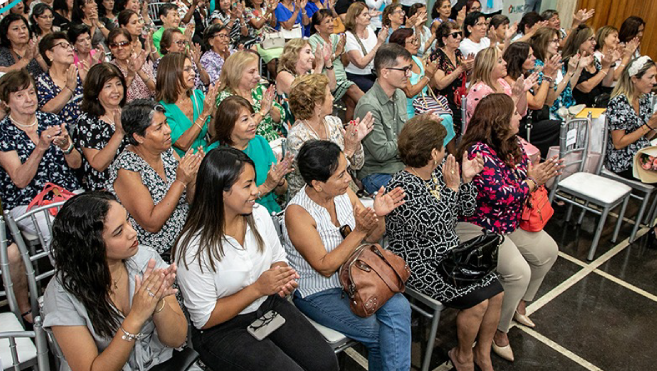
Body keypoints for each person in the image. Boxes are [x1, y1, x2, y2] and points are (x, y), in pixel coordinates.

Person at [173, 147, 338, 371]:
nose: (255, 191)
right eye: (247, 185)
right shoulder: (193, 247)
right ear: (222, 191)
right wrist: (258, 289)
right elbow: (205, 318)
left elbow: (278, 259)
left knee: (325, 362)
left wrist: (282, 277)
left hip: (267, 305)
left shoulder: (258, 215)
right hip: (223, 329)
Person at [386, 113, 503, 371]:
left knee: (496, 291)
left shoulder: (438, 173)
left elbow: (467, 209)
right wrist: (452, 189)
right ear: (432, 153)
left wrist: (467, 180)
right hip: (418, 262)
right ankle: (462, 355)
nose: (445, 148)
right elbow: (432, 228)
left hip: (448, 252)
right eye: (441, 146)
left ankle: (482, 353)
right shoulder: (402, 185)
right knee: (478, 302)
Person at [283, 139, 411, 371]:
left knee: (400, 306)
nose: (349, 179)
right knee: (378, 332)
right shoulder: (297, 212)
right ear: (318, 184)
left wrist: (379, 215)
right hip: (319, 291)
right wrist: (359, 231)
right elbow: (324, 266)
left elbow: (373, 237)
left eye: (347, 171)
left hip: (355, 278)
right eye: (341, 175)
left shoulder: (343, 194)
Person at [456, 93, 560, 362]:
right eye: (515, 113)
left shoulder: (513, 144)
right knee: (518, 271)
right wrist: (530, 182)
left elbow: (522, 178)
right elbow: (496, 195)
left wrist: (537, 175)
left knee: (548, 251)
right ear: (500, 120)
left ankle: (518, 306)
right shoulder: (478, 151)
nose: (521, 116)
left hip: (508, 220)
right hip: (480, 225)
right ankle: (499, 333)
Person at [43, 191, 188, 371]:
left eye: (128, 220)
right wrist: (135, 317)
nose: (133, 232)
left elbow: (177, 339)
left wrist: (157, 304)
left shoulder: (145, 260)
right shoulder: (62, 293)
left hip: (160, 363)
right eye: (119, 232)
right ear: (91, 247)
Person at [0, 69, 81, 324]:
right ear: (6, 102)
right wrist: (41, 147)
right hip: (28, 203)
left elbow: (77, 165)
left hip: (64, 193)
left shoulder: (50, 120)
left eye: (32, 93)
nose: (29, 99)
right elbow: (20, 180)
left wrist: (67, 146)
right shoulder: (3, 132)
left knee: (96, 212)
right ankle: (75, 288)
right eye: (20, 95)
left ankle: (97, 275)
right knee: (56, 228)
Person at [107, 99, 202, 261]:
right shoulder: (127, 168)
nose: (168, 130)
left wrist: (193, 175)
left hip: (188, 236)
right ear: (139, 137)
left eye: (166, 123)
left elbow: (190, 199)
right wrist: (180, 182)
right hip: (159, 252)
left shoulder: (165, 150)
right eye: (159, 128)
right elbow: (151, 223)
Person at [286, 73, 371, 197]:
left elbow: (357, 165)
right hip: (309, 199)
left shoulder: (334, 122)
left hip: (338, 191)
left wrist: (356, 142)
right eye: (329, 94)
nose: (333, 98)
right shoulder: (297, 137)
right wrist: (348, 150)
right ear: (317, 103)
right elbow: (324, 177)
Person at [209, 96, 292, 213]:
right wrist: (266, 187)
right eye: (245, 120)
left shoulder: (260, 142)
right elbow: (221, 202)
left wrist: (280, 181)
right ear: (228, 126)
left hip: (270, 213)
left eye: (252, 116)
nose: (253, 123)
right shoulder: (215, 154)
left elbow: (281, 191)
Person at [355, 43, 411, 194]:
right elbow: (381, 153)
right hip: (378, 172)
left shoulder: (400, 95)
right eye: (404, 70)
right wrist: (410, 135)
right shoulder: (368, 106)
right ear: (385, 72)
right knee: (415, 193)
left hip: (401, 166)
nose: (409, 74)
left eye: (409, 69)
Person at [75, 63, 128, 191]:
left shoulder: (130, 112)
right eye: (108, 86)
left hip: (135, 182)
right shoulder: (87, 121)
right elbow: (98, 164)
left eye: (118, 84)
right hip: (105, 189)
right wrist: (119, 133)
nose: (116, 91)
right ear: (95, 91)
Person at [503, 41, 561, 157]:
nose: (534, 58)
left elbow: (548, 103)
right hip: (521, 125)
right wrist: (546, 76)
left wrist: (551, 80)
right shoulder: (510, 80)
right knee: (558, 126)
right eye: (529, 56)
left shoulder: (527, 75)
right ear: (519, 60)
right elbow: (537, 103)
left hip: (535, 120)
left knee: (560, 125)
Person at [605, 56, 657, 180]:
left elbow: (643, 136)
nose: (654, 81)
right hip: (623, 161)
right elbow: (618, 143)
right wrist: (649, 125)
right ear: (634, 79)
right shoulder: (619, 102)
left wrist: (654, 127)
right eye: (650, 77)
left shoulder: (643, 98)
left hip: (641, 152)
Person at [215, 51, 286, 142]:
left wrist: (270, 107)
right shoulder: (226, 98)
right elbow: (238, 130)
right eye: (251, 72)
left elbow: (280, 118)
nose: (257, 76)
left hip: (273, 141)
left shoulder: (258, 89)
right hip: (248, 146)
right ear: (236, 73)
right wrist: (263, 111)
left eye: (257, 71)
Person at [157, 52, 218, 157]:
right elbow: (183, 143)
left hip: (206, 156)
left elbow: (212, 131)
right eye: (187, 69)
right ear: (172, 73)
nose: (193, 73)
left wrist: (214, 111)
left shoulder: (197, 96)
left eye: (192, 69)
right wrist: (204, 114)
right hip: (183, 164)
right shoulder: (162, 108)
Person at [308, 9, 363, 122]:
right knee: (352, 88)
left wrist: (343, 50)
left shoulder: (336, 38)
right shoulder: (313, 40)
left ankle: (348, 130)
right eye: (327, 22)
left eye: (332, 20)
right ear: (318, 27)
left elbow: (345, 62)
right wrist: (336, 52)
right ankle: (374, 109)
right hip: (327, 79)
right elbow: (315, 64)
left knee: (351, 103)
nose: (332, 24)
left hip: (341, 76)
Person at [464, 46, 532, 128]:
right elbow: (497, 121)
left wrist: (523, 92)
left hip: (505, 132)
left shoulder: (502, 82)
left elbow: (520, 112)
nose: (505, 63)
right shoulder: (479, 90)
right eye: (500, 61)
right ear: (489, 66)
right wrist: (515, 96)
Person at [429, 20, 473, 136]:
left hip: (459, 103)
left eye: (460, 34)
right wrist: (460, 69)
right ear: (444, 39)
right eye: (454, 35)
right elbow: (439, 84)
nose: (459, 37)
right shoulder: (437, 56)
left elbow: (465, 79)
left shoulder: (458, 53)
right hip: (443, 105)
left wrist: (470, 69)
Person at [531, 27, 583, 120]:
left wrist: (573, 71)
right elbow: (552, 97)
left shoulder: (556, 61)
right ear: (543, 42)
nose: (558, 44)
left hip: (567, 110)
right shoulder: (537, 66)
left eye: (558, 41)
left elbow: (567, 89)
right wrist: (567, 75)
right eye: (554, 41)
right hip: (552, 113)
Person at [276, 38, 336, 116]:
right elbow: (306, 96)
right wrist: (319, 65)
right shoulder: (283, 75)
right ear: (294, 54)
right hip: (291, 124)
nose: (313, 57)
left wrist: (328, 62)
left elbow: (332, 86)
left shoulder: (310, 73)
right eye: (308, 52)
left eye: (311, 52)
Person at [343, 2, 388, 93]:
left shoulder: (370, 30)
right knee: (380, 92)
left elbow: (377, 53)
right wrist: (379, 43)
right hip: (356, 76)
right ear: (355, 18)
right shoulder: (349, 36)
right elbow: (361, 63)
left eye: (368, 14)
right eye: (365, 15)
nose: (369, 17)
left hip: (373, 73)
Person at [108, 28, 156, 101]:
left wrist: (139, 71)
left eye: (124, 44)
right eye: (114, 45)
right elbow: (115, 98)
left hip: (149, 107)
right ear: (110, 48)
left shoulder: (140, 61)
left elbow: (155, 92)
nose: (120, 48)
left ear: (131, 45)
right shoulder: (109, 70)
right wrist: (129, 77)